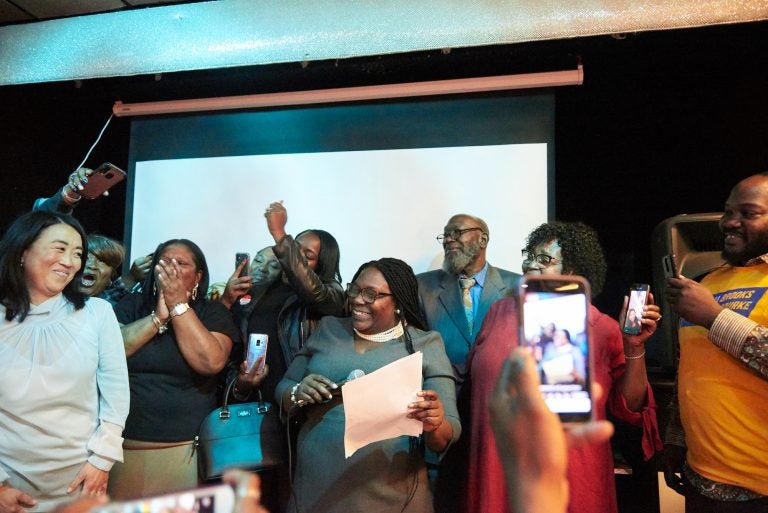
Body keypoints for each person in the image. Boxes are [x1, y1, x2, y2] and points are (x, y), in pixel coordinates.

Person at [465, 221, 662, 513]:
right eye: (528, 255)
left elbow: (630, 406)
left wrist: (634, 345)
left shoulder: (601, 328)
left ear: (574, 270)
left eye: (544, 259)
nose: (530, 264)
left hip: (573, 473)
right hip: (499, 464)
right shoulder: (499, 313)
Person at [275, 258, 460, 513]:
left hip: (390, 494)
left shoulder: (425, 345)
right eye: (355, 290)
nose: (358, 300)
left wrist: (434, 422)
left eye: (371, 294)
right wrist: (297, 392)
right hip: (316, 488)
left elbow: (447, 435)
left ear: (398, 302)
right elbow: (285, 386)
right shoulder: (328, 329)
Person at [0, 211, 129, 512]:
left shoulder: (97, 313)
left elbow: (116, 395)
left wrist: (102, 461)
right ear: (22, 252)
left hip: (81, 483)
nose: (70, 261)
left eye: (77, 253)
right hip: (10, 486)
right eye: (59, 248)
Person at [663, 173, 768, 512]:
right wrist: (677, 441)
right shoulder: (707, 282)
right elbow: (693, 368)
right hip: (702, 481)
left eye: (748, 213)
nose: (729, 223)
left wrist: (714, 317)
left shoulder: (704, 301)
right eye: (727, 212)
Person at [107, 239, 239, 500]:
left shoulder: (212, 313)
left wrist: (179, 306)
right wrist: (157, 318)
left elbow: (210, 362)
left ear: (198, 276)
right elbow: (111, 351)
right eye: (164, 262)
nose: (171, 268)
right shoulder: (132, 305)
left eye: (181, 263)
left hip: (182, 447)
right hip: (120, 445)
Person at [223, 202, 346, 403]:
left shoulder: (331, 293)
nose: (297, 258)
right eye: (295, 250)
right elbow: (234, 348)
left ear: (323, 264)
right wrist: (240, 384)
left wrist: (279, 232)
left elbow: (315, 293)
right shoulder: (262, 290)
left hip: (297, 401)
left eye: (308, 256)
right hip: (255, 400)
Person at [417, 214, 520, 380]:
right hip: (444, 395)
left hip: (493, 394)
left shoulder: (515, 286)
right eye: (446, 235)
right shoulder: (422, 287)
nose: (448, 240)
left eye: (457, 233)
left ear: (483, 240)